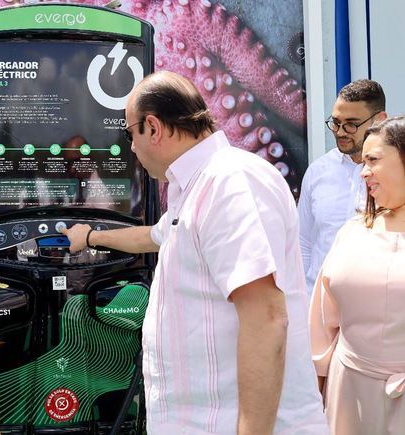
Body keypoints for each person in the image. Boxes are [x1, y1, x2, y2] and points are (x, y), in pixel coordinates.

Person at [61, 71, 327, 434]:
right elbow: (154, 237)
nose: (131, 148)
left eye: (129, 134)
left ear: (152, 128)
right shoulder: (197, 185)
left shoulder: (229, 183)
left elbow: (265, 317)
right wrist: (89, 236)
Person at [310, 116, 405, 435]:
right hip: (347, 397)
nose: (363, 172)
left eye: (373, 160)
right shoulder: (351, 233)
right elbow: (323, 326)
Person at [298, 80, 387, 293]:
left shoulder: (396, 174)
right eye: (335, 122)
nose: (340, 132)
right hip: (318, 309)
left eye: (351, 124)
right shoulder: (317, 172)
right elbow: (303, 243)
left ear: (380, 120)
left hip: (375, 312)